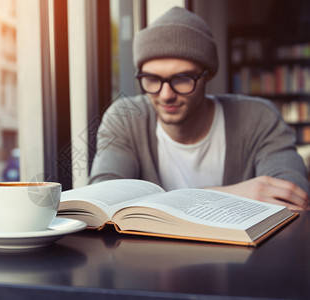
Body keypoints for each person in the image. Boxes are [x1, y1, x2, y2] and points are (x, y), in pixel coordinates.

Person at [89, 7, 309, 210]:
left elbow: (293, 197)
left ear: (208, 76)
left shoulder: (258, 117)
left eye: (183, 78)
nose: (166, 94)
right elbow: (102, 200)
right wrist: (228, 195)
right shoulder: (124, 118)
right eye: (152, 79)